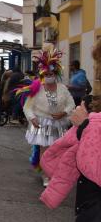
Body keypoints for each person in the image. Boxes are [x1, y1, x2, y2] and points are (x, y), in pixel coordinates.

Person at [19, 48, 75, 187]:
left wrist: (64, 113)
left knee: (58, 152)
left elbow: (71, 103)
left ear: (56, 74)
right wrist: (32, 118)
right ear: (43, 74)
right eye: (47, 74)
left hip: (59, 124)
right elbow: (27, 107)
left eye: (52, 74)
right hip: (42, 123)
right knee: (45, 152)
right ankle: (46, 176)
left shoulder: (62, 88)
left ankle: (54, 173)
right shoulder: (37, 88)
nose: (49, 76)